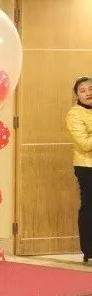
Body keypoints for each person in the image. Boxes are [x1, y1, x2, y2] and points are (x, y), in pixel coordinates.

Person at [66, 76, 92, 262]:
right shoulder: (74, 114)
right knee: (90, 207)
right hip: (87, 167)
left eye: (90, 89)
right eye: (82, 91)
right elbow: (84, 144)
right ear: (77, 96)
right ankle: (89, 250)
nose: (88, 93)